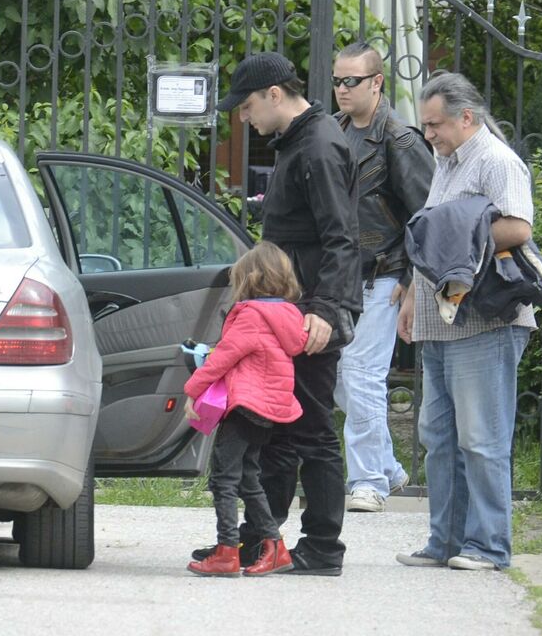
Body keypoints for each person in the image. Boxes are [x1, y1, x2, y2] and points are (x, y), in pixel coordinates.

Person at [196, 51, 361, 576]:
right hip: (291, 314)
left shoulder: (319, 146)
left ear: (274, 94)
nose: (243, 118)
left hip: (309, 318)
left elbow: (342, 237)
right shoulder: (298, 142)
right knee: (279, 433)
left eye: (247, 106)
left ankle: (323, 547)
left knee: (311, 431)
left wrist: (326, 310)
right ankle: (259, 540)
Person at [395, 72, 535, 571]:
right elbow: (435, 239)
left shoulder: (496, 160)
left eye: (436, 124)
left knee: (481, 439)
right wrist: (412, 296)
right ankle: (446, 541)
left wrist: (459, 233)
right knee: (438, 436)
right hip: (441, 322)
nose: (428, 133)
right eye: (426, 124)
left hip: (485, 323)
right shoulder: (446, 161)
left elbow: (518, 226)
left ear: (467, 117)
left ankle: (489, 546)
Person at [330, 43, 434, 513]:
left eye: (351, 81)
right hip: (340, 278)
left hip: (385, 276)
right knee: (338, 378)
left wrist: (412, 279)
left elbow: (428, 215)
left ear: (376, 83)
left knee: (360, 375)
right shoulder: (333, 131)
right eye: (337, 80)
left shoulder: (400, 140)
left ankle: (368, 480)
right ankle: (388, 468)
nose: (342, 89)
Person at [184, 242, 309, 577]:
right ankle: (275, 548)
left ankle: (227, 551)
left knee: (223, 480)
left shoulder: (251, 315)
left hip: (244, 407)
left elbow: (223, 358)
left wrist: (192, 391)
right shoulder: (289, 315)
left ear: (250, 278)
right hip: (268, 410)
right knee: (249, 478)